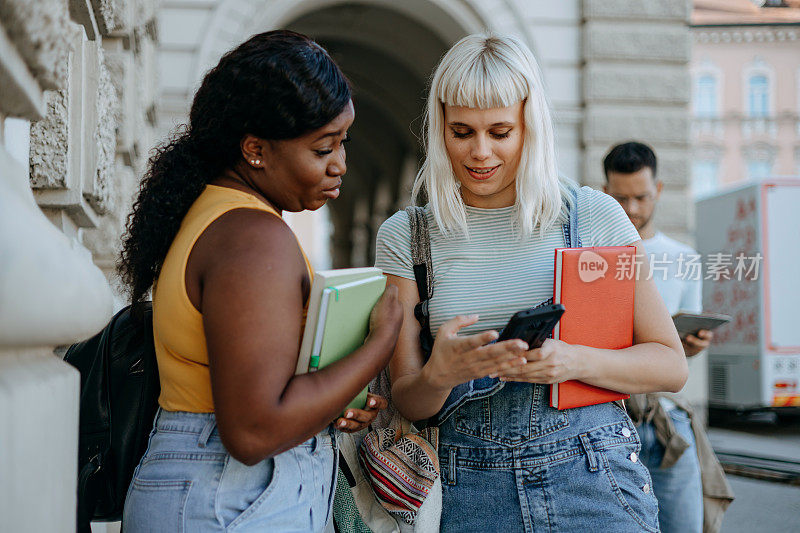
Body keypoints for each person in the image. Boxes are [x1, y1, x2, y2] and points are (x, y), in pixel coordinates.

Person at [375, 33, 688, 532]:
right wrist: (442, 373)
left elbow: (670, 365)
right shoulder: (407, 237)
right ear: (439, 131)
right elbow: (408, 399)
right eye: (462, 132)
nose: (480, 153)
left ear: (531, 127)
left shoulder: (594, 217)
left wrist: (573, 360)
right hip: (464, 486)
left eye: (500, 131)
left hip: (592, 477)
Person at [117, 31, 403, 532]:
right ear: (255, 149)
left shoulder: (219, 215)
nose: (340, 165)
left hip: (215, 492)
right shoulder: (252, 239)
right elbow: (252, 430)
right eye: (322, 148)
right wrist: (379, 345)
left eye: (343, 143)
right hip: (231, 500)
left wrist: (334, 400)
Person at [603, 141, 733, 533]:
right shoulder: (591, 258)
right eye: (621, 197)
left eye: (641, 196)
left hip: (670, 419)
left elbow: (681, 353)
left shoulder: (685, 259)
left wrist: (693, 346)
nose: (633, 209)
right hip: (609, 420)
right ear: (606, 192)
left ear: (658, 190)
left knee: (685, 526)